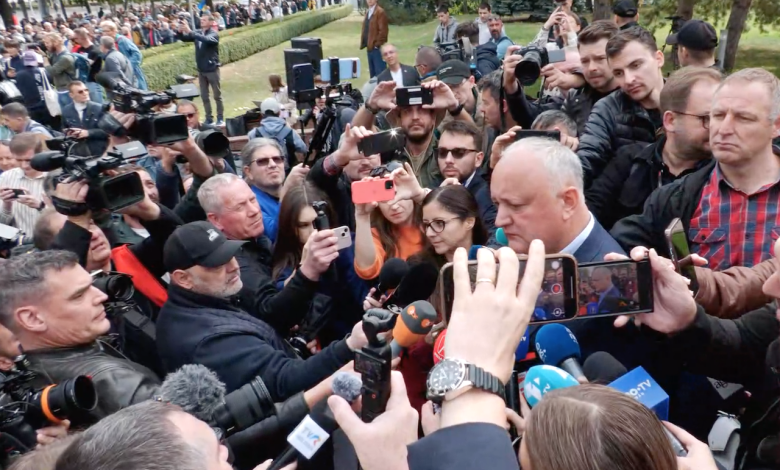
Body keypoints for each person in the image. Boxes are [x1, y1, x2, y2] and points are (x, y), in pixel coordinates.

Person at [156, 220, 370, 399]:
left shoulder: (209, 298)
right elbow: (284, 380)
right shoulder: (206, 340)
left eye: (231, 255)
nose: (233, 267)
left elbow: (268, 324)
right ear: (183, 279)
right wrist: (350, 345)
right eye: (217, 265)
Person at [612, 68, 780, 271]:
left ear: (776, 125)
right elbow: (623, 242)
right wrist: (644, 259)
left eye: (743, 118)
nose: (724, 129)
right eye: (717, 116)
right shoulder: (676, 198)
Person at [0, 250, 161, 424]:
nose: (101, 296)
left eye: (92, 285)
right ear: (32, 318)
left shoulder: (17, 385)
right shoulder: (112, 382)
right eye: (79, 295)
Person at [587, 66, 721, 230]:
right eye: (707, 118)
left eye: (721, 117)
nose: (719, 128)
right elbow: (588, 217)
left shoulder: (726, 176)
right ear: (670, 121)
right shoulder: (631, 162)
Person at [271, 182, 367, 344]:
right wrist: (306, 266)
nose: (313, 232)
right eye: (303, 225)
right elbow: (281, 302)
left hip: (356, 335)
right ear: (290, 228)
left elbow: (361, 296)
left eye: (317, 223)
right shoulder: (285, 260)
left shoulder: (347, 247)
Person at [576, 27, 665, 186]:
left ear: (658, 58)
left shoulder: (688, 100)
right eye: (618, 73)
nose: (628, 80)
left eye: (635, 65)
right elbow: (588, 158)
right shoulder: (608, 109)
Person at [504, 21, 620, 135]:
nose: (591, 68)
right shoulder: (575, 98)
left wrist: (576, 79)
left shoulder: (629, 95)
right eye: (585, 61)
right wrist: (511, 85)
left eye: (600, 59)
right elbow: (530, 120)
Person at [353, 80, 470, 189]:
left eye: (422, 110)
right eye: (407, 111)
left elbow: (475, 143)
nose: (415, 117)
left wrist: (454, 106)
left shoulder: (445, 152)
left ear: (433, 118)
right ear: (399, 120)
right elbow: (354, 140)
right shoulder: (389, 148)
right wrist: (371, 104)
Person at [308, 123, 382, 231]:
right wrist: (339, 157)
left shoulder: (393, 182)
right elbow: (314, 182)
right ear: (344, 162)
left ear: (380, 156)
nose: (365, 162)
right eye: (357, 157)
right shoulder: (336, 190)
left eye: (370, 154)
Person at [240, 138, 305, 243]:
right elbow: (275, 235)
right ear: (248, 172)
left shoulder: (297, 190)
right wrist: (287, 188)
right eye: (262, 161)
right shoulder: (249, 203)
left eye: (277, 159)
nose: (273, 165)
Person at [178, 15, 223, 126]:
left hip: (212, 69)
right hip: (201, 70)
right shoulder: (198, 33)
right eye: (201, 20)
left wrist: (190, 31)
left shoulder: (213, 34)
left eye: (204, 20)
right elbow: (185, 38)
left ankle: (220, 117)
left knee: (217, 96)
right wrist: (180, 31)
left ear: (211, 22)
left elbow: (206, 40)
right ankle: (209, 118)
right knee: (204, 96)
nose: (201, 21)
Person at [0, 133, 46, 237]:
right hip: (20, 243)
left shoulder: (54, 177)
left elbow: (65, 219)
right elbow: (2, 225)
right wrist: (7, 205)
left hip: (49, 243)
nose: (24, 165)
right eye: (18, 160)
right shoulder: (6, 178)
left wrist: (40, 206)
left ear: (40, 154)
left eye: (28, 160)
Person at [248, 98, 307, 169]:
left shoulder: (254, 134)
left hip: (264, 172)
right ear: (279, 113)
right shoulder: (290, 132)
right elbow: (303, 149)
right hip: (288, 172)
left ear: (261, 114)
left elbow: (250, 155)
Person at [60, 80, 109, 156]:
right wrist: (68, 133)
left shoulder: (99, 108)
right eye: (80, 92)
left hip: (99, 150)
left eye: (86, 90)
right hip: (78, 152)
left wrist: (88, 133)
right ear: (71, 95)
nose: (85, 93)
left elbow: (108, 132)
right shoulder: (66, 110)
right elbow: (64, 128)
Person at [100, 20, 148, 90]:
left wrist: (127, 67)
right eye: (103, 31)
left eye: (106, 31)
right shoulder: (108, 44)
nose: (104, 34)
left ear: (114, 31)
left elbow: (137, 54)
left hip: (133, 74)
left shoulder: (122, 40)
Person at [436, 60, 483, 130]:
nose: (451, 93)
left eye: (455, 86)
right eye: (446, 89)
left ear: (471, 81)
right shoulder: (442, 114)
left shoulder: (489, 105)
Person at [14, 51, 54, 130]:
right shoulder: (43, 71)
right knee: (53, 128)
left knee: (36, 129)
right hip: (46, 105)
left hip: (30, 107)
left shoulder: (19, 74)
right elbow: (51, 82)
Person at [41, 32, 75, 111]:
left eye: (47, 43)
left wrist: (44, 58)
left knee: (72, 114)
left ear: (56, 42)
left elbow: (52, 71)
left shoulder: (66, 57)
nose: (46, 45)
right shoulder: (54, 55)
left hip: (68, 91)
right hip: (60, 90)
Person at [72, 28, 104, 104]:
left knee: (97, 105)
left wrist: (77, 58)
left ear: (82, 38)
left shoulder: (94, 50)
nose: (74, 41)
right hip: (82, 81)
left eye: (75, 38)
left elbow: (87, 64)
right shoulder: (80, 49)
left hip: (92, 81)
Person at [359, 0, 388, 79]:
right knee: (373, 76)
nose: (370, 0)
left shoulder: (380, 12)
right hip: (370, 48)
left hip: (377, 49)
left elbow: (383, 32)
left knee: (380, 74)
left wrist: (377, 45)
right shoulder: (368, 12)